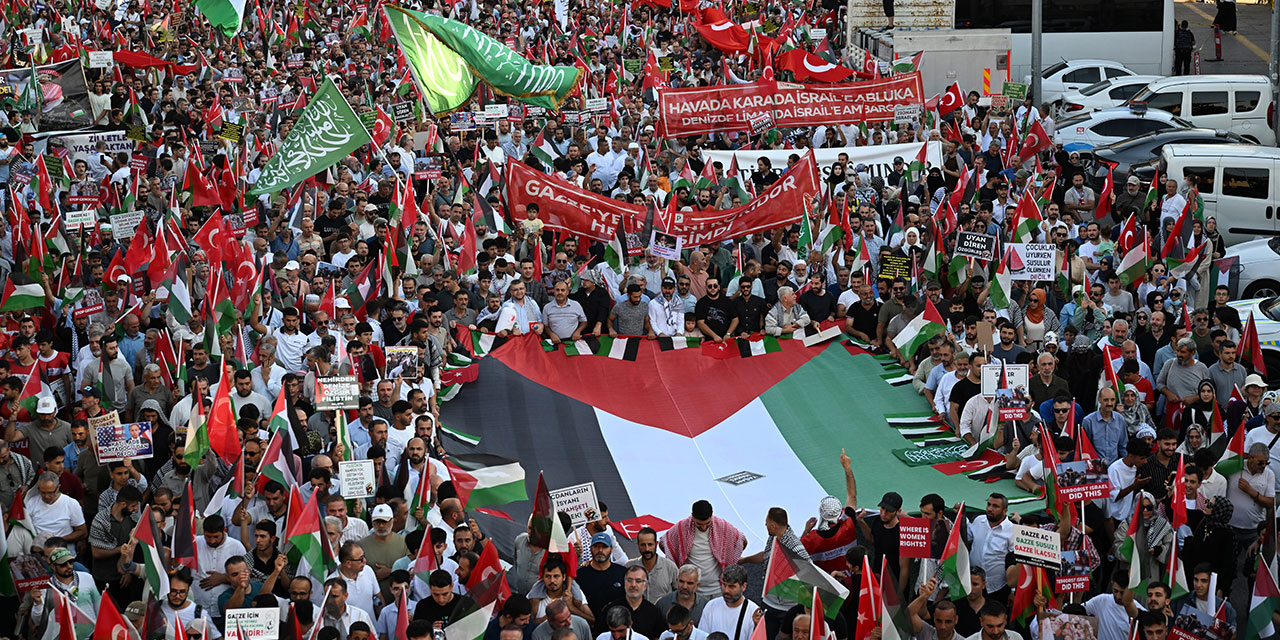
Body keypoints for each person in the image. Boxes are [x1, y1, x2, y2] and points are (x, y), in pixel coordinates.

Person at [661, 501, 747, 599]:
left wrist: (730, 557)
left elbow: (742, 541)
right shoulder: (682, 527)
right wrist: (677, 558)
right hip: (693, 590)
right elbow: (664, 543)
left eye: (707, 523)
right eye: (699, 524)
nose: (703, 527)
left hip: (718, 589)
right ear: (692, 517)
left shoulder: (722, 526)